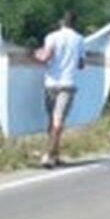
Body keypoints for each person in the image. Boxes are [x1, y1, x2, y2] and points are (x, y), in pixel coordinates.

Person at [34, 11, 85, 168]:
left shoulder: (51, 37)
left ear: (62, 22)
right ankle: (50, 155)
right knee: (58, 121)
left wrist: (37, 55)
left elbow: (46, 57)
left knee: (52, 121)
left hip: (51, 83)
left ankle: (52, 154)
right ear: (75, 23)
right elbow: (81, 65)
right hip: (67, 84)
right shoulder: (79, 39)